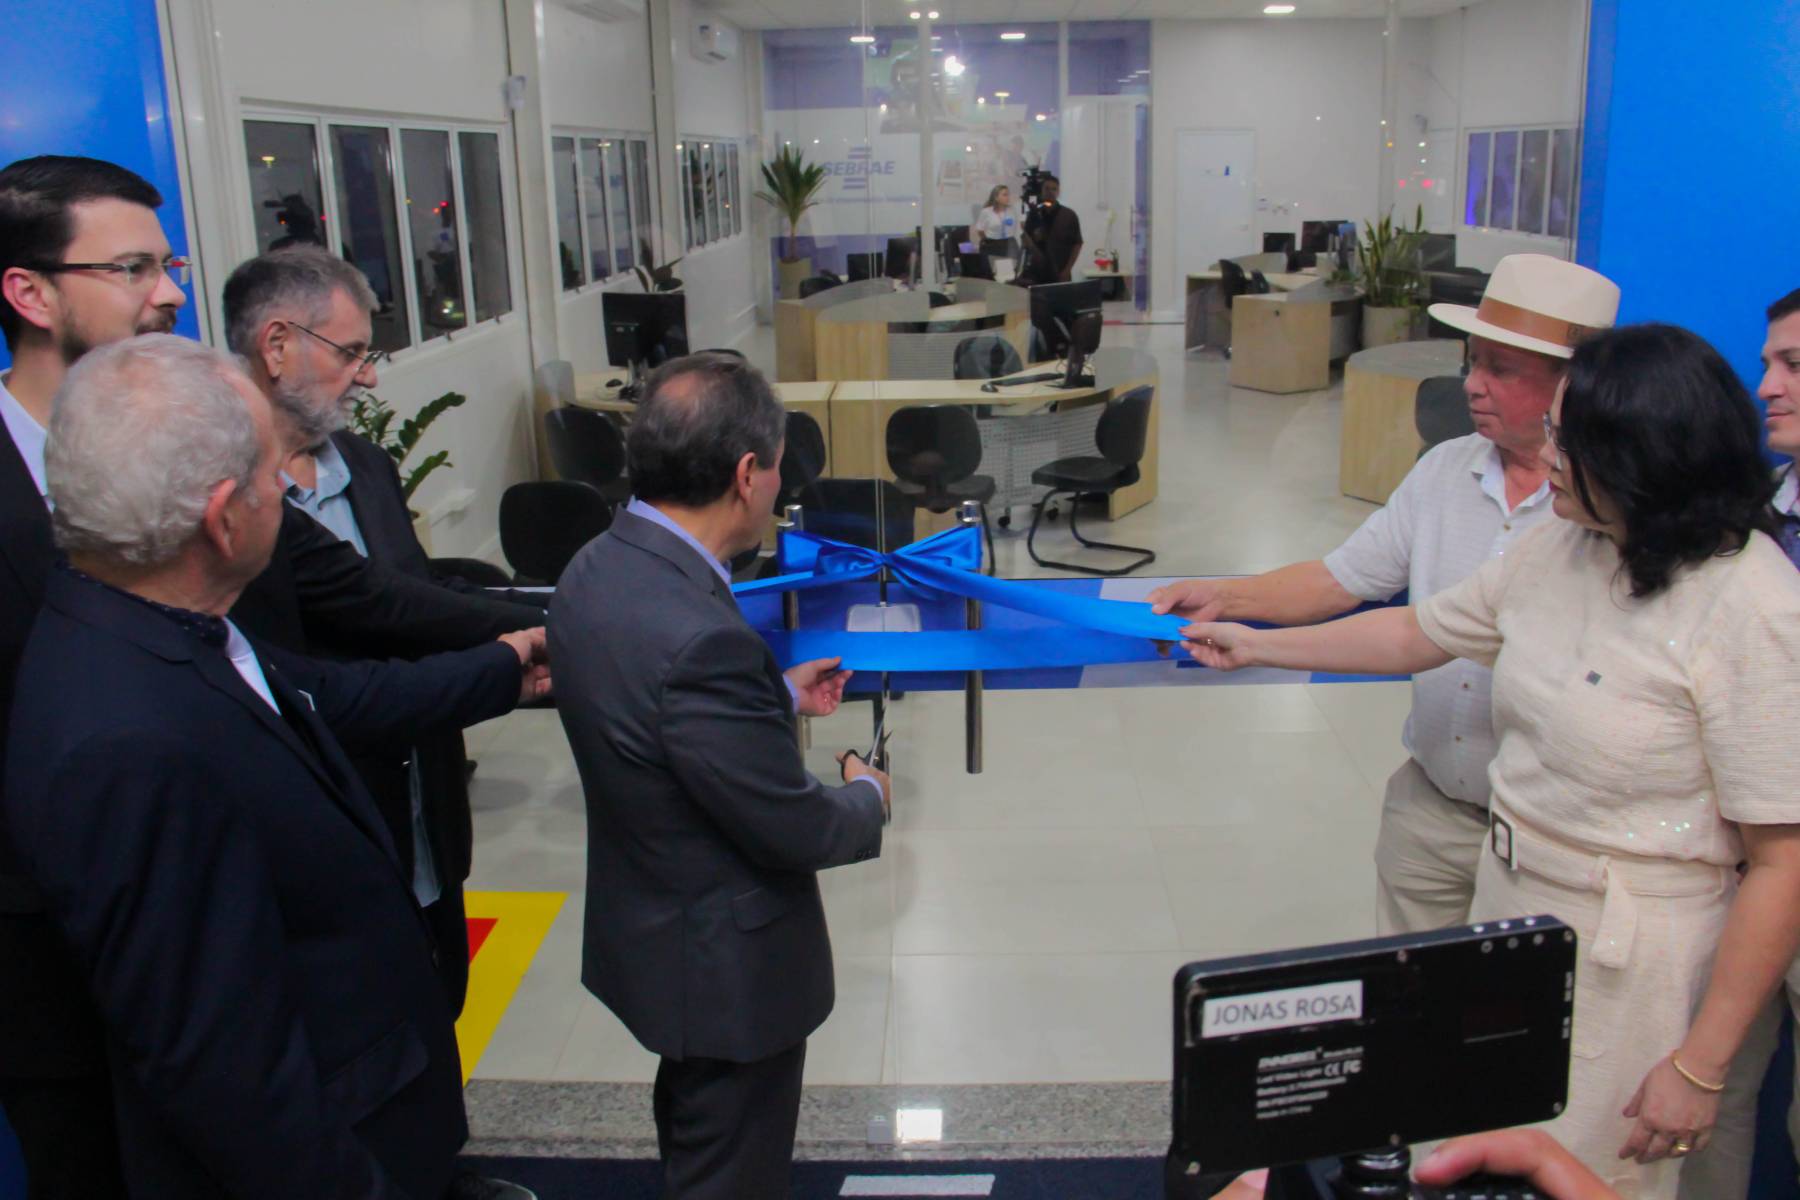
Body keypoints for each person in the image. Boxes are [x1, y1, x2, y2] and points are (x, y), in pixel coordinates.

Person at [0, 153, 541, 1196]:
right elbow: (224, 1068)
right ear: (29, 291)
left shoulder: (176, 577)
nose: (170, 294)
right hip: (70, 986)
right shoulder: (114, 686)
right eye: (133, 268)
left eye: (171, 266)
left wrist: (516, 657)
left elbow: (327, 661)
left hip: (268, 960)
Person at [1177, 322, 1800, 1198]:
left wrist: (1699, 1065)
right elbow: (1419, 630)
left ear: (1638, 456)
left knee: (1584, 1172)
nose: (1547, 457)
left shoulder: (1753, 604)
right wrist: (1257, 644)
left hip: (1636, 961)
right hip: (1510, 910)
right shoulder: (1568, 544)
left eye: (1566, 441)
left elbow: (1783, 863)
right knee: (1471, 1153)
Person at [1150, 253, 1620, 939]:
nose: (1473, 385)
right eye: (1473, 362)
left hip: (1555, 838)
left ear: (1572, 385)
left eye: (1502, 369)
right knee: (1411, 993)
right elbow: (1341, 579)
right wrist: (1224, 596)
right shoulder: (1444, 471)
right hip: (1431, 809)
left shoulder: (1610, 512)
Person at [221, 246, 545, 1200]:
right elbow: (374, 620)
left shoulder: (363, 465)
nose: (368, 377)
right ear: (277, 345)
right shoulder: (229, 500)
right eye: (351, 352)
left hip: (418, 796)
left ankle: (442, 1169)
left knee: (437, 990)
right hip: (325, 811)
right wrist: (534, 641)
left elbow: (414, 603)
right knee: (353, 1038)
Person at [549, 352, 890, 1199]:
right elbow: (796, 826)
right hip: (724, 971)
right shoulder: (702, 637)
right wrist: (868, 796)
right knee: (729, 1167)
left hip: (658, 936)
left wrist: (772, 696)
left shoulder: (597, 567)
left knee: (697, 1132)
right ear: (746, 475)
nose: (777, 487)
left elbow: (654, 710)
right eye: (775, 469)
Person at [1679, 285, 1800, 1200]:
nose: (1767, 387)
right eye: (1766, 364)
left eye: (1793, 366)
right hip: (1747, 861)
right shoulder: (1754, 511)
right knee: (1711, 1094)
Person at [1018, 174, 1081, 285]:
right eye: (1046, 188)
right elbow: (1027, 245)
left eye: (1054, 189)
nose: (1050, 192)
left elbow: (1077, 244)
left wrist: (1067, 270)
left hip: (1060, 272)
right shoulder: (1034, 215)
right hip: (1037, 274)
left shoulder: (1069, 215)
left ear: (1058, 192)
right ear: (1041, 191)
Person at [973, 184, 1017, 258]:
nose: (1008, 197)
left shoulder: (1012, 210)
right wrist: (987, 241)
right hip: (992, 244)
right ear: (996, 197)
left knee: (1011, 263)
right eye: (1004, 195)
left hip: (1009, 243)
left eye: (1008, 194)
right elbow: (980, 230)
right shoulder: (986, 211)